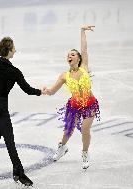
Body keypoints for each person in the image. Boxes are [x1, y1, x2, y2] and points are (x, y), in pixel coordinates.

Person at [0, 2, 45, 186]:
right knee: (9, 140)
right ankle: (19, 173)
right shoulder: (14, 71)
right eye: (14, 47)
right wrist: (42, 92)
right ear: (9, 50)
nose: (16, 49)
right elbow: (27, 90)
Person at [44, 25, 100, 169]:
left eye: (73, 54)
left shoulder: (84, 67)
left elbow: (84, 48)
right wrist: (44, 91)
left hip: (89, 104)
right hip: (74, 105)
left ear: (79, 58)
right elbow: (52, 91)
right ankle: (62, 148)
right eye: (68, 55)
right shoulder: (64, 76)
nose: (70, 56)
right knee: (68, 130)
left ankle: (85, 153)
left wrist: (82, 31)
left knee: (86, 130)